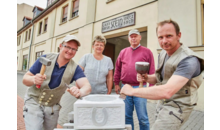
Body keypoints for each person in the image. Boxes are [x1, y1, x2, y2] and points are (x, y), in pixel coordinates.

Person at [121, 19, 204, 130]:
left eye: (169, 36)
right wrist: (146, 78)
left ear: (179, 35)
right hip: (163, 103)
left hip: (179, 106)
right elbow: (160, 79)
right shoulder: (163, 54)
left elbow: (167, 91)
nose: (164, 41)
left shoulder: (189, 60)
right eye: (160, 37)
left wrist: (132, 91)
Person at [22, 34, 91, 130]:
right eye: (67, 47)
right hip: (34, 101)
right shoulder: (45, 57)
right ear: (60, 46)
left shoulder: (75, 68)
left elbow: (87, 86)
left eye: (74, 49)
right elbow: (25, 79)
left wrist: (80, 92)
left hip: (52, 107)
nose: (70, 51)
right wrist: (33, 79)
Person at [114, 29, 155, 130]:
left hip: (140, 88)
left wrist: (151, 87)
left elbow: (152, 69)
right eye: (131, 36)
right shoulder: (123, 52)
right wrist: (116, 83)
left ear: (140, 37)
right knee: (126, 117)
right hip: (125, 87)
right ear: (128, 39)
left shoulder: (147, 51)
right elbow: (118, 68)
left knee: (143, 118)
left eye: (135, 36)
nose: (133, 38)